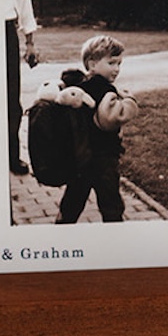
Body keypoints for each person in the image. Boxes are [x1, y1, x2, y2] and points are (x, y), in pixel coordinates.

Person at [57, 35, 137, 224]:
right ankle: (114, 236)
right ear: (92, 64)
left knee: (73, 201)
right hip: (104, 158)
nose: (117, 69)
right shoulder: (102, 88)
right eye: (111, 63)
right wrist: (129, 100)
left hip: (80, 157)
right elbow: (115, 117)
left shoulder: (79, 87)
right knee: (111, 204)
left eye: (119, 64)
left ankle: (61, 229)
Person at [5, 0, 39, 175]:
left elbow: (24, 2)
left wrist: (30, 43)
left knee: (11, 101)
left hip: (7, 30)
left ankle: (12, 157)